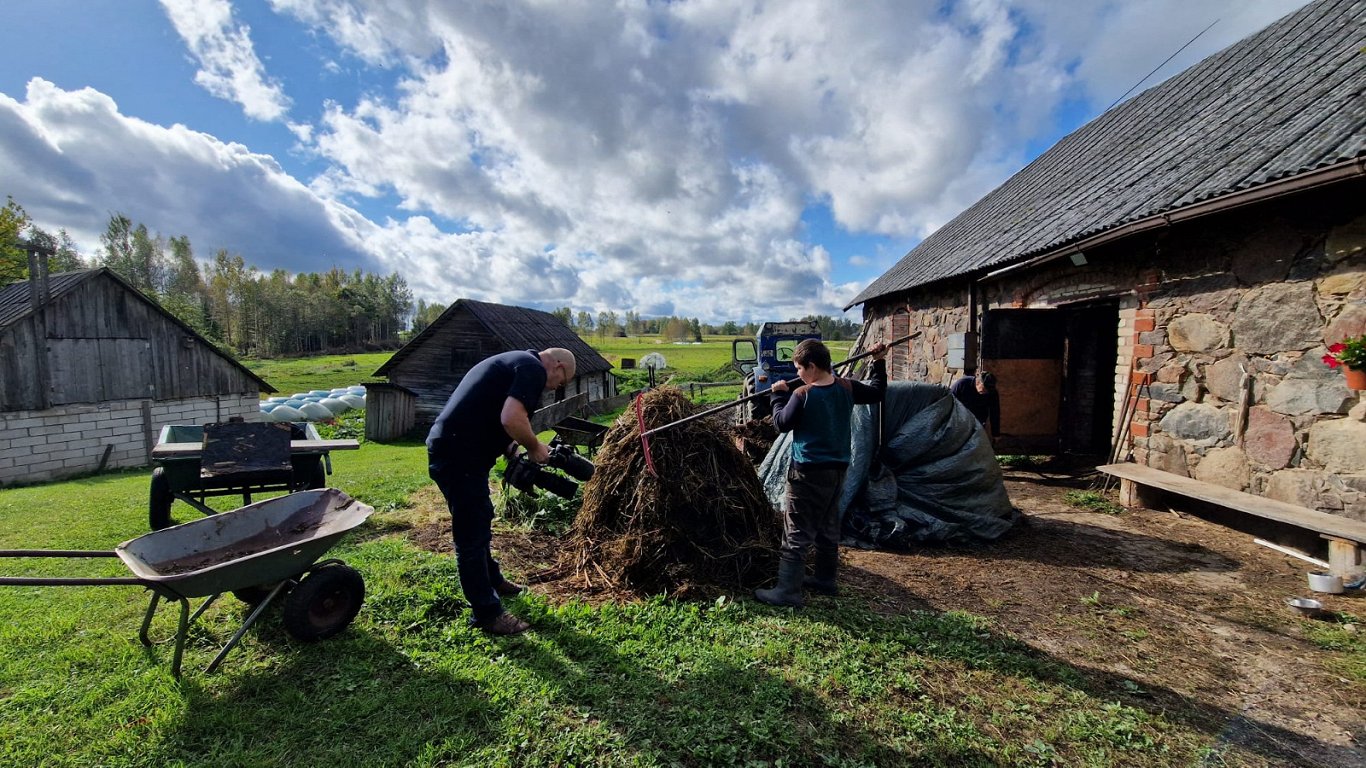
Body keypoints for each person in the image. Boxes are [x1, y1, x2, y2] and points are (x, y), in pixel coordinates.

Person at [426, 347, 577, 634]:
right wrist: (534, 447)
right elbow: (511, 417)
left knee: (480, 517)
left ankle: (492, 579)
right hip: (459, 454)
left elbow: (492, 412)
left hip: (454, 449)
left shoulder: (515, 361)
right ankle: (487, 613)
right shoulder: (531, 368)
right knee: (471, 532)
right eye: (562, 381)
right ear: (557, 365)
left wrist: (509, 446)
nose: (558, 386)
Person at [755, 339, 888, 608]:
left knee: (796, 531)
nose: (797, 375)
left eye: (799, 369)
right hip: (837, 470)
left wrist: (778, 396)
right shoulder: (847, 388)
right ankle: (826, 580)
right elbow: (877, 392)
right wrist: (879, 362)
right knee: (828, 526)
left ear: (812, 367)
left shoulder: (802, 395)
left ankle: (787, 592)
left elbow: (782, 423)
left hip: (807, 474)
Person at [951, 370, 1000, 440]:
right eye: (984, 389)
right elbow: (949, 402)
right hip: (959, 421)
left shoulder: (992, 392)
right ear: (978, 382)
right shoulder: (962, 384)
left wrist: (996, 434)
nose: (986, 392)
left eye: (987, 391)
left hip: (978, 423)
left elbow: (995, 412)